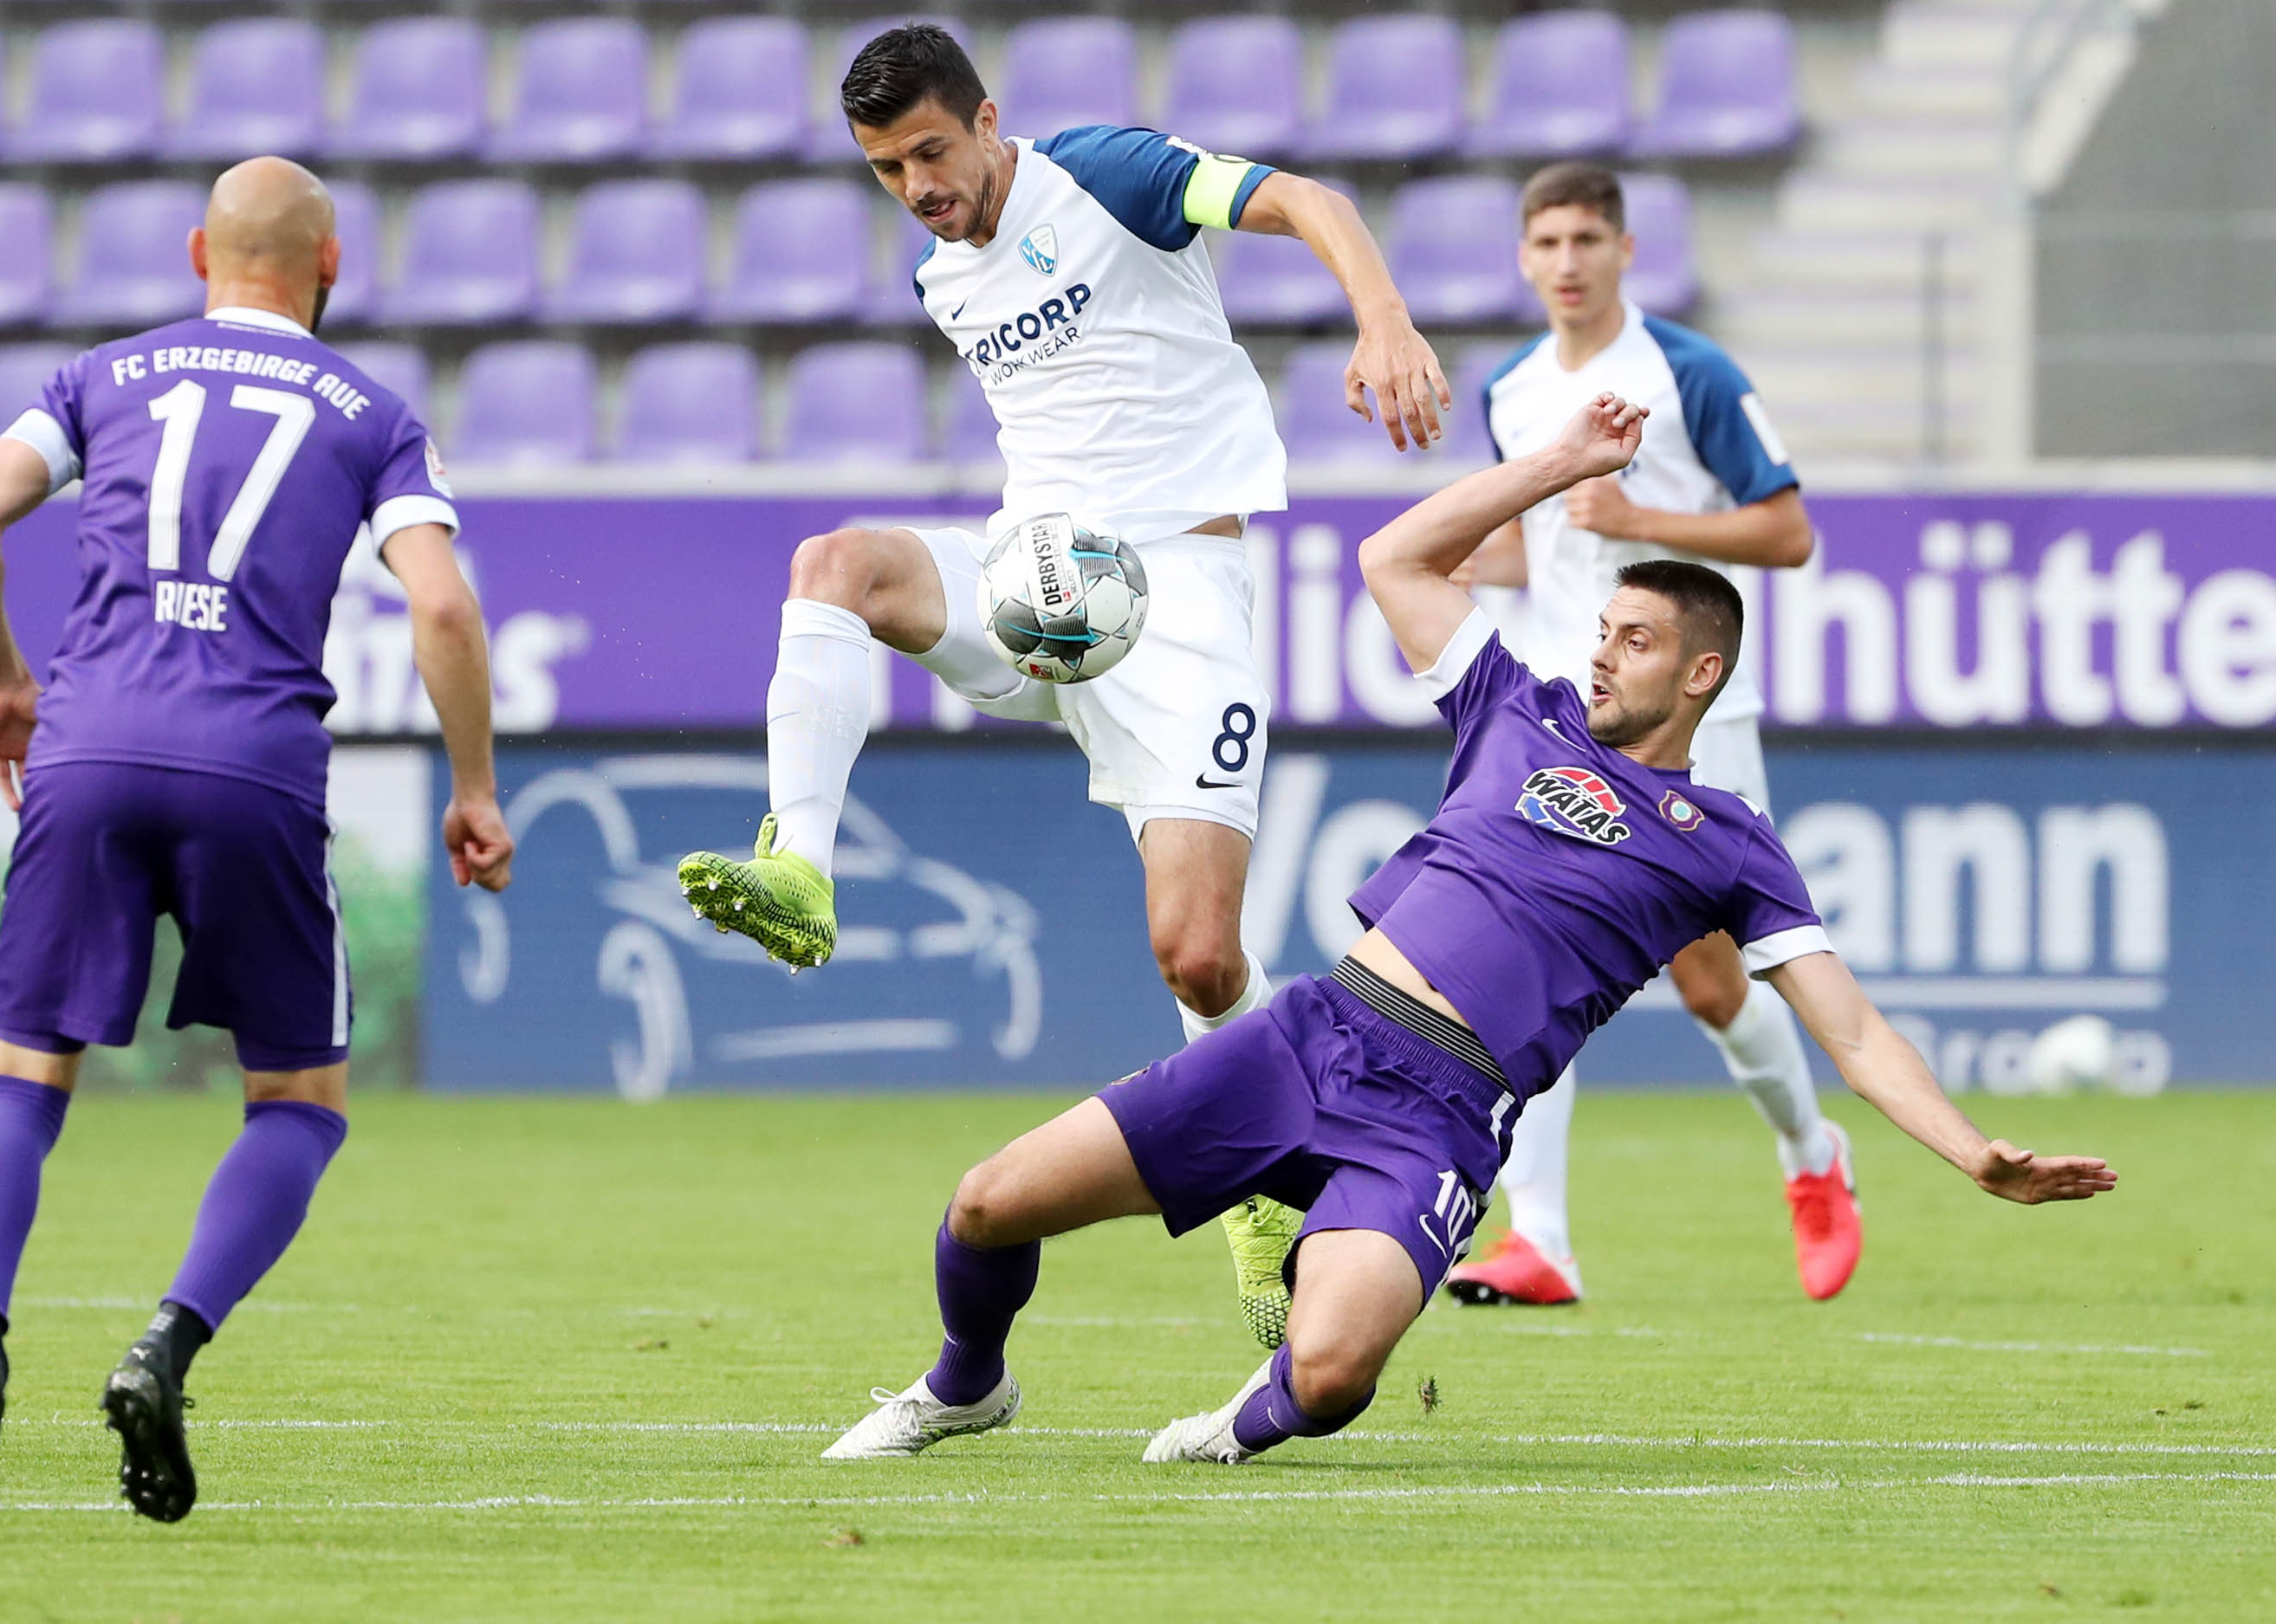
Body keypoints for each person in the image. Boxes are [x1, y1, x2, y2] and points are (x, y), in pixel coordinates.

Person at [817, 391, 2116, 1466]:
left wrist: (1972, 1154)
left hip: (1440, 1117)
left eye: (1636, 641)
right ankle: (965, 1385)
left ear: (1701, 674)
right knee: (989, 1205)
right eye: (1602, 631)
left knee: (1329, 1374)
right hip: (1312, 1037)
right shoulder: (1516, 710)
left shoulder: (1729, 842)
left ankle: (1235, 1429)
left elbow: (1855, 1032)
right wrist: (1558, 464)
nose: (1602, 655)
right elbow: (1396, 559)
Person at [675, 23, 1451, 1349]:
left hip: (1181, 596)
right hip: (1041, 585)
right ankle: (798, 864)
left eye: (932, 151)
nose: (917, 187)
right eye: (886, 169)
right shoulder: (942, 275)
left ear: (988, 120)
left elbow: (1308, 200)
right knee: (835, 566)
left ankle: (1269, 1184)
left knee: (1198, 955)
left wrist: (1383, 317)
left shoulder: (1109, 175)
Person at [0, 158, 515, 1527]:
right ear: (331, 265)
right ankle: (164, 1348)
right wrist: (476, 786)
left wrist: (5, 680)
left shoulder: (100, 380)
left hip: (87, 750)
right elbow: (443, 611)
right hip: (253, 767)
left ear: (200, 253)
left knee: (22, 1074)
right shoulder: (374, 416)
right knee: (299, 1100)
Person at [1442, 163, 1852, 1310]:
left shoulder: (1690, 373)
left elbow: (1788, 532)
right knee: (1523, 958)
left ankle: (1812, 1153)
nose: (1567, 262)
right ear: (1523, 259)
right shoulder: (1511, 391)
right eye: (1547, 243)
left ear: (1625, 251)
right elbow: (1536, 547)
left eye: (1587, 239)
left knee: (1716, 982)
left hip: (1686, 716)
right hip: (1563, 712)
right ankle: (1541, 1241)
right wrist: (1456, 557)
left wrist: (1640, 518)